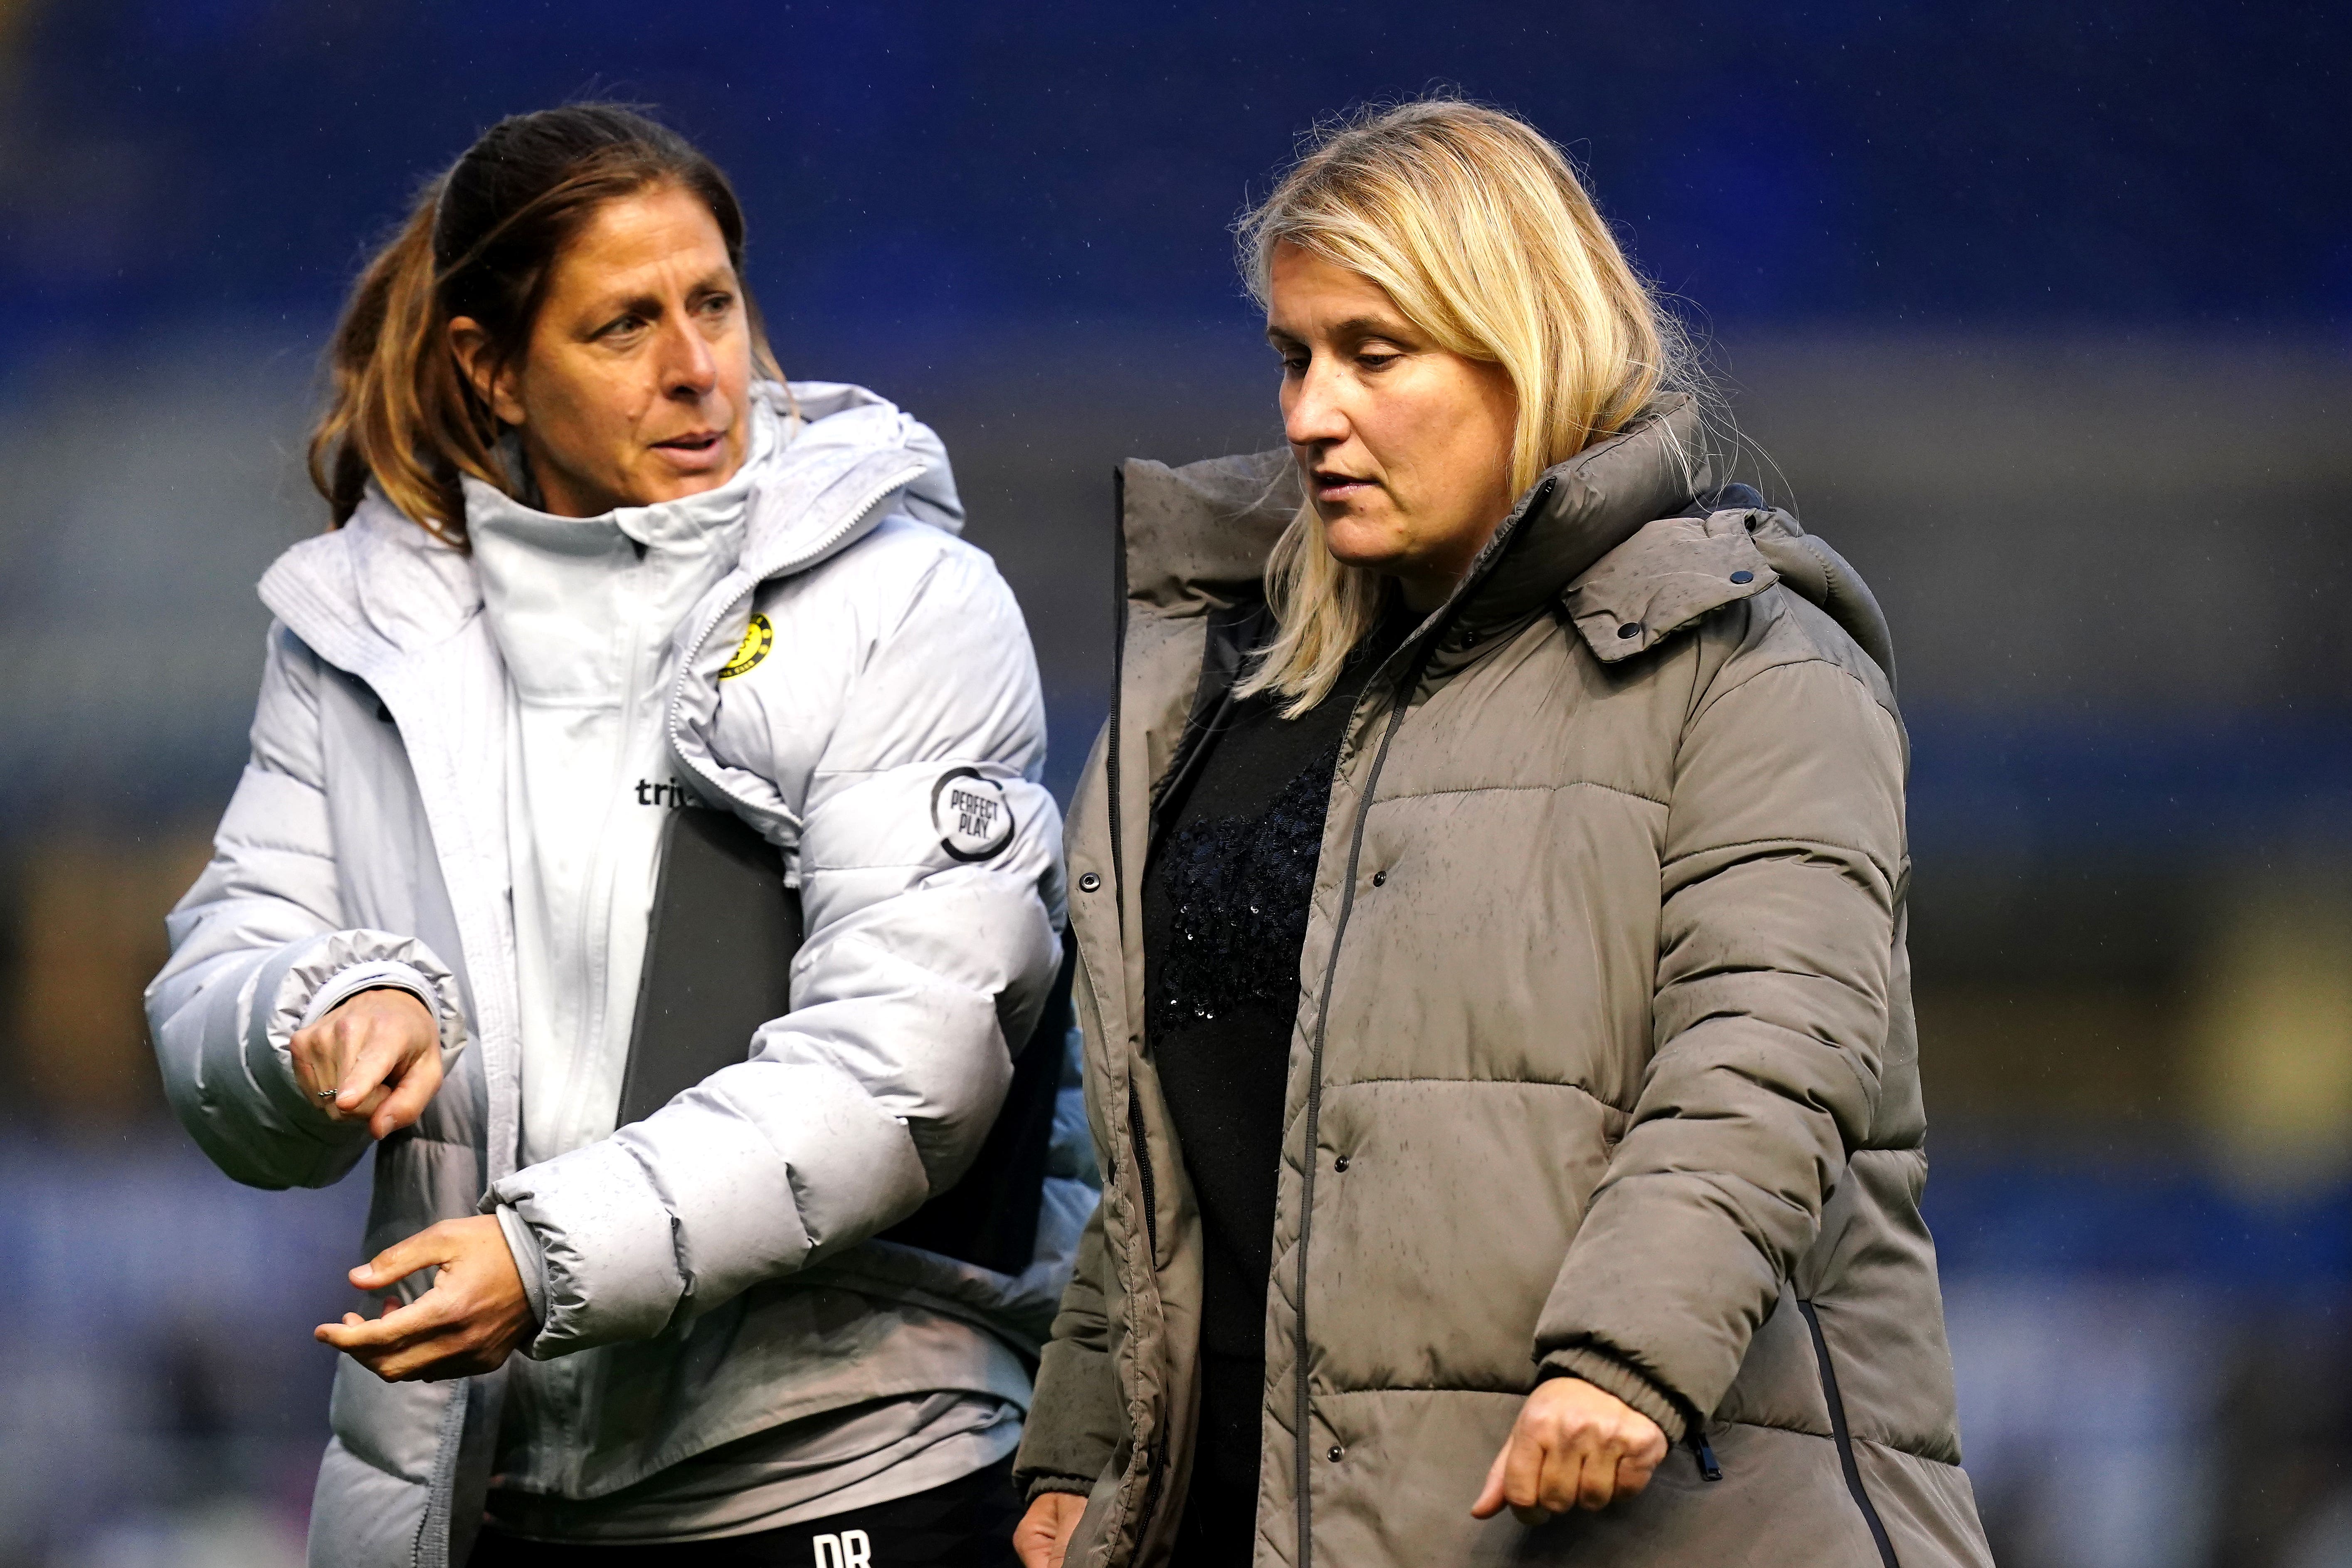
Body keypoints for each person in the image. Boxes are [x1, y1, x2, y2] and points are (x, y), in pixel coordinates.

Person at [1011, 99, 1994, 1567]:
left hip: (1650, 1511)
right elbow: (1167, 1141)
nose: (1306, 414)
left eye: (1372, 353)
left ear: (1522, 346)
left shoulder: (1754, 662)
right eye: (1292, 356)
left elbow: (1767, 1052)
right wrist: (1084, 1449)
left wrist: (1622, 1358)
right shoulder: (1229, 695)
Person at [146, 104, 1091, 1567]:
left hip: (848, 1470)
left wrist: (538, 1257)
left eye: (712, 301)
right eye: (623, 326)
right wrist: (319, 1007)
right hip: (487, 1486)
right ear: (489, 367)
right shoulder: (364, 630)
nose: (695, 366)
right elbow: (219, 972)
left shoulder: (905, 599)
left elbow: (905, 1069)